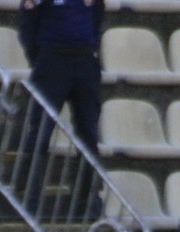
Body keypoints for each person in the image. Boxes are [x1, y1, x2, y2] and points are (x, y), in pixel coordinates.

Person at [16, 0, 104, 211]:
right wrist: (40, 57)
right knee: (40, 133)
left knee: (88, 133)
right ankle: (30, 200)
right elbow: (28, 21)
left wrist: (89, 45)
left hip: (84, 61)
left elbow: (96, 16)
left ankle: (87, 200)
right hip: (51, 60)